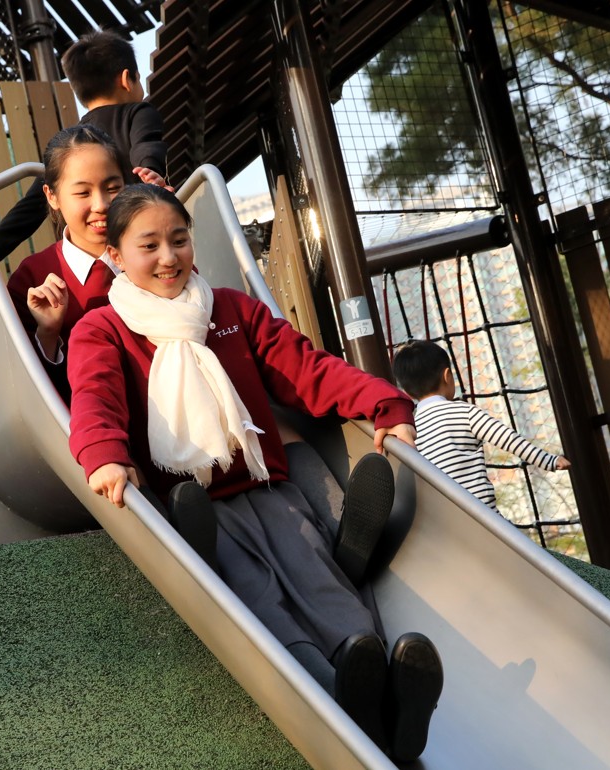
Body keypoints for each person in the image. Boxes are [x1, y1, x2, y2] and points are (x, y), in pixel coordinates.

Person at [67, 184, 444, 762]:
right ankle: (332, 689)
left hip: (267, 485)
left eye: (179, 240)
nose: (169, 257)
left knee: (314, 567)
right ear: (115, 255)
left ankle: (370, 669)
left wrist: (383, 403)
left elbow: (306, 369)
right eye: (149, 246)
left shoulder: (229, 311)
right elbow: (96, 396)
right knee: (256, 593)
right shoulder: (104, 330)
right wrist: (103, 454)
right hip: (195, 506)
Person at [0, 30, 169, 262]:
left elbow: (32, 205)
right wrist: (150, 169)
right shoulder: (139, 111)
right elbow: (146, 142)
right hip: (134, 237)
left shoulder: (72, 142)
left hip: (88, 249)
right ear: (126, 79)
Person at [5, 125, 134, 401]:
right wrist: (48, 334)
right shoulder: (31, 279)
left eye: (113, 188)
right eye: (83, 193)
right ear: (52, 197)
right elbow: (25, 393)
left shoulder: (153, 251)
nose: (101, 204)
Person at [391, 340, 571, 510]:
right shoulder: (464, 412)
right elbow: (507, 438)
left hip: (445, 521)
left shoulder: (409, 430)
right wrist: (549, 460)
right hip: (482, 514)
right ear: (447, 376)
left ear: (407, 392)